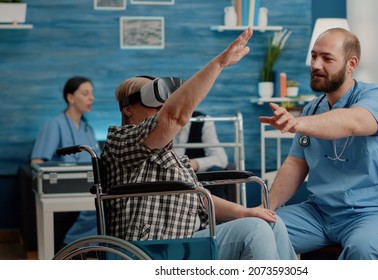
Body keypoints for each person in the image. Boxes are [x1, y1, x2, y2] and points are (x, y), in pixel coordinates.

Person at [100, 28, 296, 260]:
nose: (161, 109)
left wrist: (246, 212)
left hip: (191, 236)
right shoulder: (120, 143)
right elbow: (174, 117)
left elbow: (200, 197)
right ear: (128, 109)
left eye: (164, 102)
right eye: (153, 102)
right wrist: (218, 64)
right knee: (255, 231)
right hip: (153, 247)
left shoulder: (170, 156)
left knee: (271, 223)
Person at [259, 28, 378, 260]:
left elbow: (353, 122)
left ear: (351, 64)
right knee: (257, 231)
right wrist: (266, 207)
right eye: (314, 56)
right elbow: (295, 164)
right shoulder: (313, 108)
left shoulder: (377, 98)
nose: (316, 65)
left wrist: (297, 123)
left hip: (375, 214)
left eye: (327, 58)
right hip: (319, 213)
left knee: (362, 248)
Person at [31, 76, 100, 248]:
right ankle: (71, 246)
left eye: (92, 93)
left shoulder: (88, 129)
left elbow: (98, 160)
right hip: (63, 189)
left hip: (89, 186)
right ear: (70, 97)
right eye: (85, 93)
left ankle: (93, 250)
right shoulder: (54, 125)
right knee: (96, 207)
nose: (91, 98)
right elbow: (37, 161)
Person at [173, 111, 232, 199]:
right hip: (166, 178)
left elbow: (221, 159)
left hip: (196, 179)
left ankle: (211, 211)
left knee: (215, 172)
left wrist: (192, 164)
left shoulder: (203, 121)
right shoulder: (153, 122)